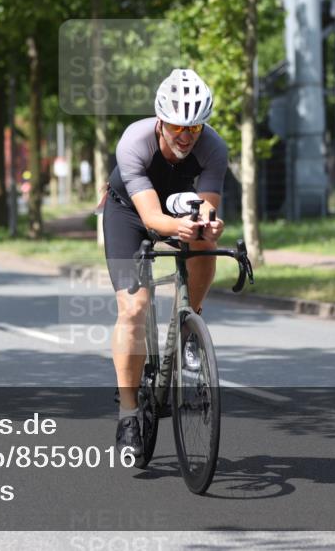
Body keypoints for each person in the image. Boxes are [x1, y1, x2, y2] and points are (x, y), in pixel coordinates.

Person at [102, 68, 227, 458]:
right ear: (161, 120)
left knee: (204, 237)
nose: (186, 136)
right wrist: (179, 226)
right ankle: (128, 411)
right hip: (130, 213)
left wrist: (208, 222)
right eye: (177, 126)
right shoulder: (134, 143)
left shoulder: (214, 147)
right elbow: (153, 218)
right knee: (134, 308)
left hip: (177, 209)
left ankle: (192, 320)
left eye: (195, 127)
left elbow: (205, 204)